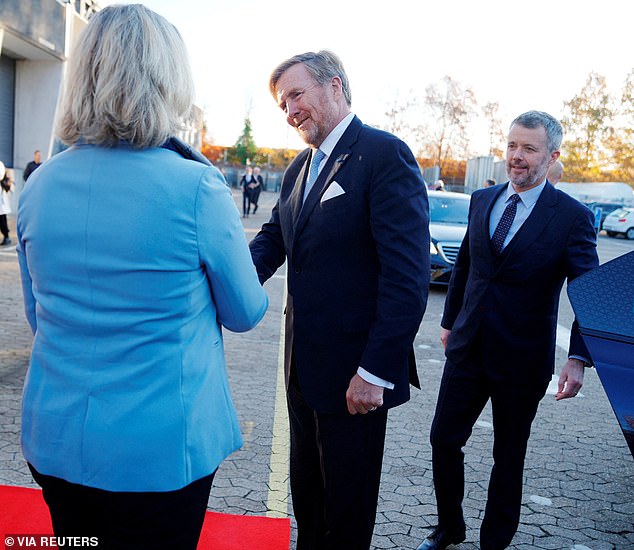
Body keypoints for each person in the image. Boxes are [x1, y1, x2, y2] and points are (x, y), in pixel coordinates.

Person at [16, 5, 268, 549]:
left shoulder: (38, 187)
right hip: (158, 456)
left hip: (57, 438)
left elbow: (38, 315)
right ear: (166, 80)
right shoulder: (196, 188)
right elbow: (247, 312)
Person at [249, 50, 430, 549]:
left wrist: (375, 371)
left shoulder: (384, 155)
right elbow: (272, 241)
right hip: (302, 373)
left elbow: (407, 278)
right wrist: (219, 282)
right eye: (282, 103)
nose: (289, 111)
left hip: (357, 378)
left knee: (346, 513)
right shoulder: (297, 170)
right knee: (307, 500)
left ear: (335, 87)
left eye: (296, 95)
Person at [417, 111, 599, 550]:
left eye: (529, 149)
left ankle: (493, 542)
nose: (516, 157)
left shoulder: (571, 218)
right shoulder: (483, 200)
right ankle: (449, 527)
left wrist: (577, 358)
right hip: (468, 347)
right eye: (512, 146)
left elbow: (589, 292)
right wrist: (448, 322)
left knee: (508, 456)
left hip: (523, 359)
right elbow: (466, 266)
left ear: (552, 156)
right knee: (443, 439)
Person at [1, 163, 14, 245]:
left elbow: (1, 176)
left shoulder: (0, 164)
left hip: (1, 203)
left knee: (2, 220)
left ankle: (6, 237)